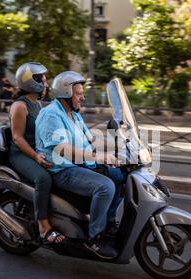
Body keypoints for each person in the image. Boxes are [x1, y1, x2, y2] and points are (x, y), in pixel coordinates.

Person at [36, 71, 124, 259]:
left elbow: (90, 141)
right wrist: (99, 158)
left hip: (81, 164)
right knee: (105, 186)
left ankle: (108, 223)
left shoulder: (74, 115)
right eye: (78, 94)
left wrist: (120, 149)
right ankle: (94, 238)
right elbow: (62, 149)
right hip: (62, 169)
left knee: (120, 176)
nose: (82, 97)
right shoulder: (51, 115)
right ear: (65, 94)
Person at [9, 62, 65, 245]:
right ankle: (44, 227)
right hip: (21, 154)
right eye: (43, 79)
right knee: (44, 178)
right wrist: (36, 157)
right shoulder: (20, 106)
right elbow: (17, 138)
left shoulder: (38, 104)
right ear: (32, 82)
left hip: (38, 150)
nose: (46, 83)